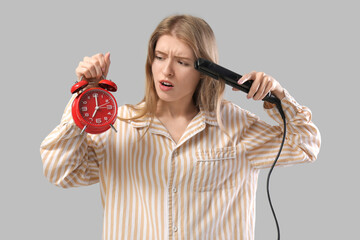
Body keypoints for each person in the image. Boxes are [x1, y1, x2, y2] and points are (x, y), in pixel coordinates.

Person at [40, 14, 321, 240]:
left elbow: (305, 145)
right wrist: (85, 97)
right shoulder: (120, 125)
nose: (167, 71)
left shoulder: (234, 125)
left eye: (183, 62)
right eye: (160, 57)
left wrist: (280, 98)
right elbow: (60, 171)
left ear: (206, 71)